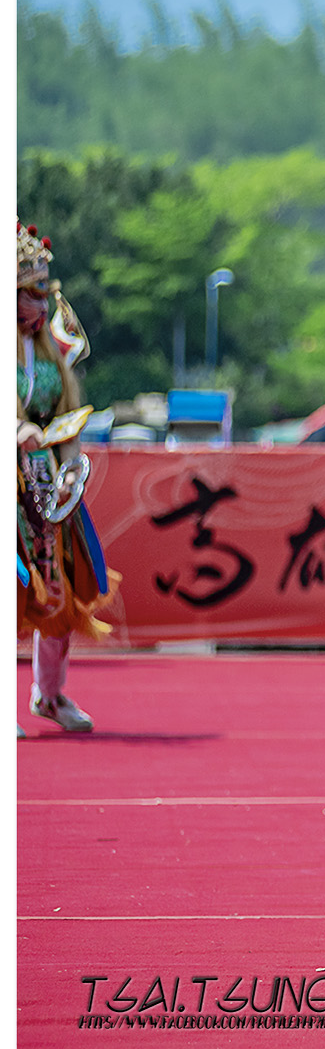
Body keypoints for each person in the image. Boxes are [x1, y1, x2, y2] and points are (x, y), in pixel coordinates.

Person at [17, 222, 116, 734]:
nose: (43, 301)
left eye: (44, 290)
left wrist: (71, 465)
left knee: (59, 588)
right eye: (33, 291)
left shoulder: (53, 351)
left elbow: (66, 418)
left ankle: (49, 694)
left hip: (44, 483)